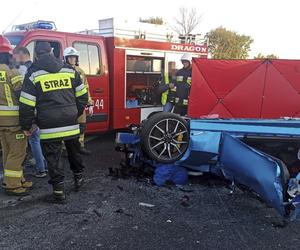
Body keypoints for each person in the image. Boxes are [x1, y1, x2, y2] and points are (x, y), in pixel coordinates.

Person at [19, 42, 88, 202]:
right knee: (74, 151)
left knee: (53, 157)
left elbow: (26, 104)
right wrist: (74, 112)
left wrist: (27, 125)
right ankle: (79, 179)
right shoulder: (69, 70)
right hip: (70, 122)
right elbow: (83, 96)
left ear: (36, 55)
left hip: (49, 126)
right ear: (52, 52)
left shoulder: (33, 74)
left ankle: (59, 192)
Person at [0, 36, 32, 196]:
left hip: (1, 123)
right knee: (18, 152)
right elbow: (23, 97)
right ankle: (12, 185)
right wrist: (30, 119)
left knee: (7, 152)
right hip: (14, 121)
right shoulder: (13, 72)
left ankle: (17, 179)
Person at [14, 47, 48, 178]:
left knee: (34, 139)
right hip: (40, 108)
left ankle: (41, 169)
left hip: (30, 109)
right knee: (38, 138)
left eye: (15, 56)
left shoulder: (22, 70)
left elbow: (22, 94)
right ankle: (44, 164)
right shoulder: (37, 68)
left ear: (21, 55)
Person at [63, 47, 93, 155]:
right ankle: (65, 148)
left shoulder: (80, 71)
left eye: (74, 57)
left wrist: (89, 104)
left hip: (79, 103)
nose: (72, 59)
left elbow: (86, 88)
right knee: (67, 126)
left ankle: (80, 145)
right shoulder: (61, 71)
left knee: (81, 126)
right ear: (65, 58)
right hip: (68, 104)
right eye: (70, 57)